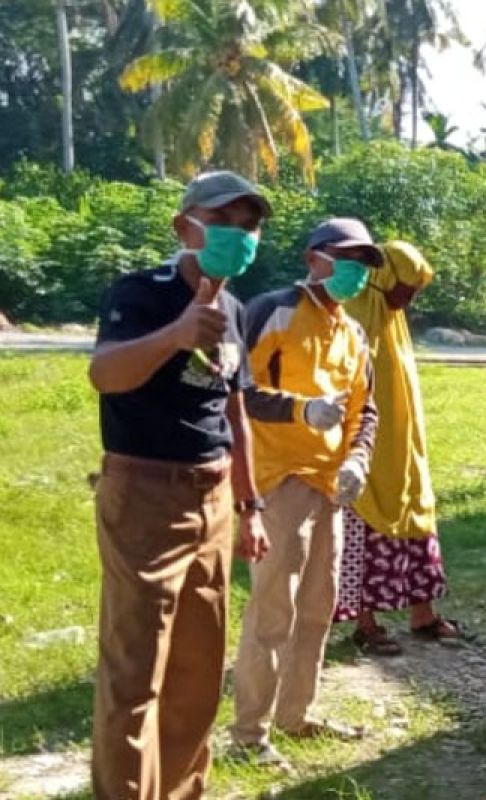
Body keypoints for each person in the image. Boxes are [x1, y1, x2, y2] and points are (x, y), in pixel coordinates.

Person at [88, 170, 272, 800]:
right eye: (224, 222)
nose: (238, 235)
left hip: (214, 497)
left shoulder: (236, 309)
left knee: (197, 672)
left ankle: (181, 790)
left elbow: (234, 412)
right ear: (184, 226)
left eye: (249, 226)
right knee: (134, 669)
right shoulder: (142, 293)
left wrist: (250, 505)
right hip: (145, 495)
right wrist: (174, 335)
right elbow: (104, 374)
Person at [231, 218, 381, 770]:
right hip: (278, 478)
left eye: (364, 262)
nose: (356, 271)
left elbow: (366, 408)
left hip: (330, 485)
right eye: (346, 258)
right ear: (313, 257)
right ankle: (249, 733)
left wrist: (360, 456)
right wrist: (301, 410)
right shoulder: (271, 310)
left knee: (318, 606)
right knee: (275, 607)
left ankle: (297, 714)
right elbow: (236, 391)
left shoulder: (354, 332)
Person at [333, 240, 464, 653]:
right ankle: (364, 623)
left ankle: (422, 614)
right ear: (383, 278)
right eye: (406, 287)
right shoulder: (351, 318)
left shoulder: (393, 321)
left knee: (415, 519)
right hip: (365, 451)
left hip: (403, 448)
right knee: (363, 535)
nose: (410, 298)